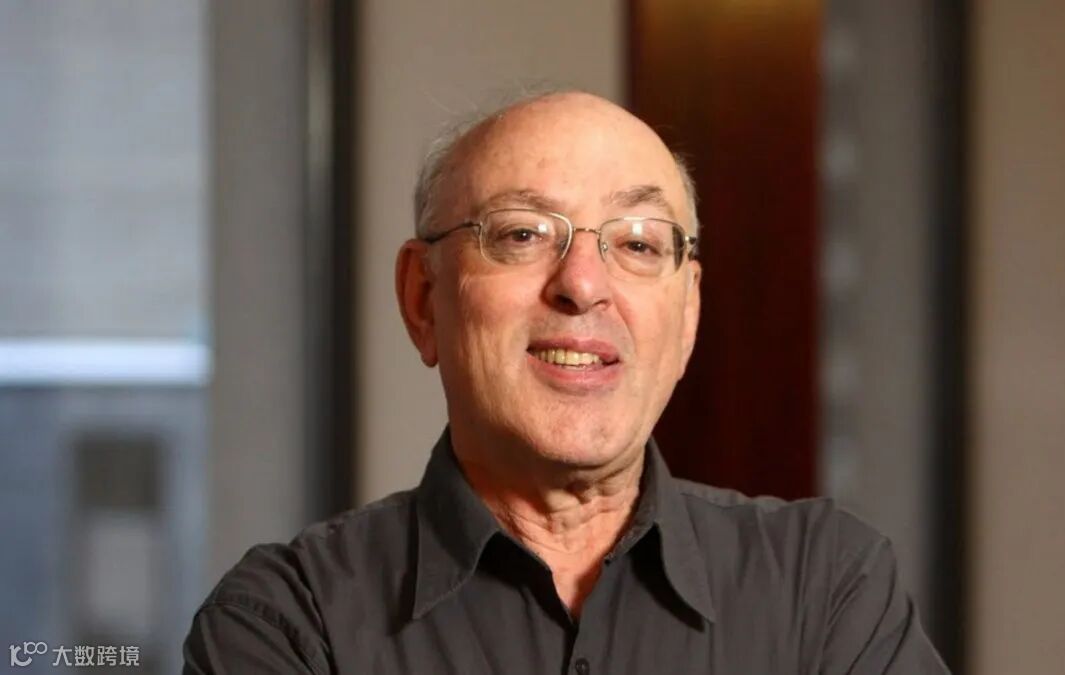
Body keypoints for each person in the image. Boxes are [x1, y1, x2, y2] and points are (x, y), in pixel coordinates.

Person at [182, 91, 949, 674]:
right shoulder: (288, 622)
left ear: (687, 314)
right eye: (522, 234)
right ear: (422, 298)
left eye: (639, 244)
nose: (583, 284)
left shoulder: (824, 589)